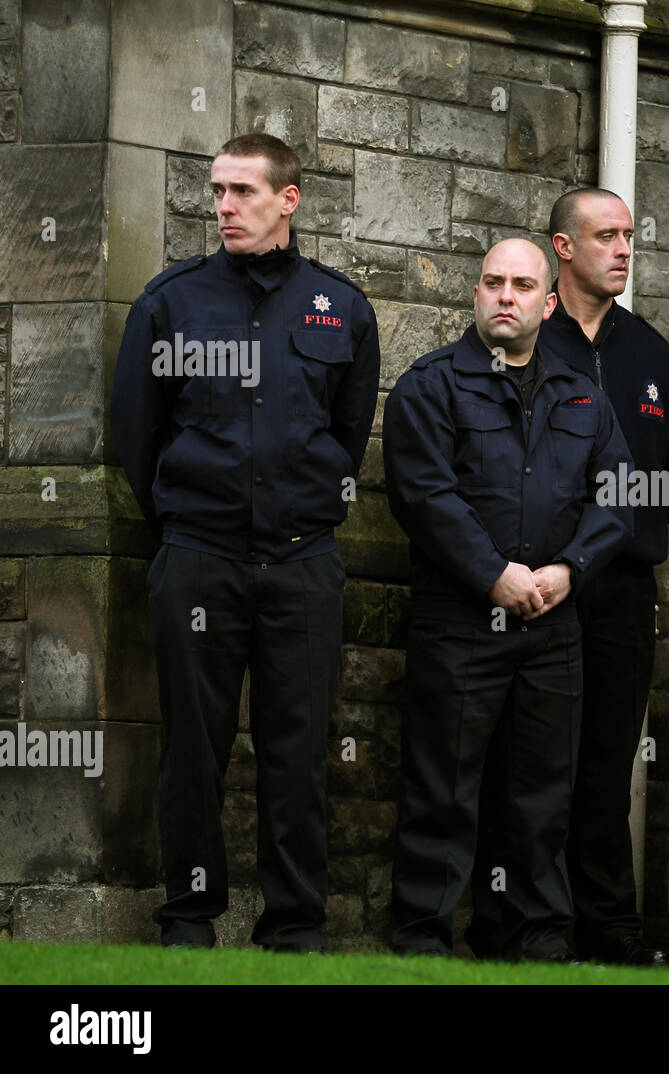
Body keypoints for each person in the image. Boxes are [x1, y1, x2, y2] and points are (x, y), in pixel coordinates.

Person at [110, 133, 380, 951]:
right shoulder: (170, 302)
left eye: (242, 192)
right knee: (193, 748)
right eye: (217, 191)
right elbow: (138, 433)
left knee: (296, 757)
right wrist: (192, 525)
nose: (222, 207)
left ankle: (294, 928)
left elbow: (349, 428)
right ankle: (189, 922)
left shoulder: (343, 307)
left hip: (302, 565)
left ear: (288, 200)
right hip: (200, 560)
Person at [383, 238, 632, 960]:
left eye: (523, 285)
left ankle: (536, 943)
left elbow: (616, 494)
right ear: (475, 296)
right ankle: (422, 944)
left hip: (555, 625)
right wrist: (494, 573)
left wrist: (570, 570)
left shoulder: (582, 392)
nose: (505, 296)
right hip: (459, 621)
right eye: (492, 282)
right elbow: (425, 497)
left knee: (542, 796)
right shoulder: (430, 387)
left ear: (548, 304)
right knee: (443, 791)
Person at [512, 187, 669, 966]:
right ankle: (527, 926)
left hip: (622, 588)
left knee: (609, 760)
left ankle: (610, 928)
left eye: (629, 235)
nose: (624, 248)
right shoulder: (524, 342)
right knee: (533, 762)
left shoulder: (651, 353)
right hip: (539, 588)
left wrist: (619, 508)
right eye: (606, 236)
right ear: (563, 248)